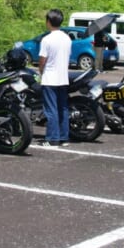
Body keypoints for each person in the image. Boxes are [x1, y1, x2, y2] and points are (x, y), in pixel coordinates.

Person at [38, 9, 72, 147]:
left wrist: (40, 72)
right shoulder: (67, 38)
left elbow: (42, 60)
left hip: (50, 78)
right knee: (62, 108)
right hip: (63, 77)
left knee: (51, 109)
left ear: (48, 22)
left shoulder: (47, 39)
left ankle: (52, 138)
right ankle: (64, 137)